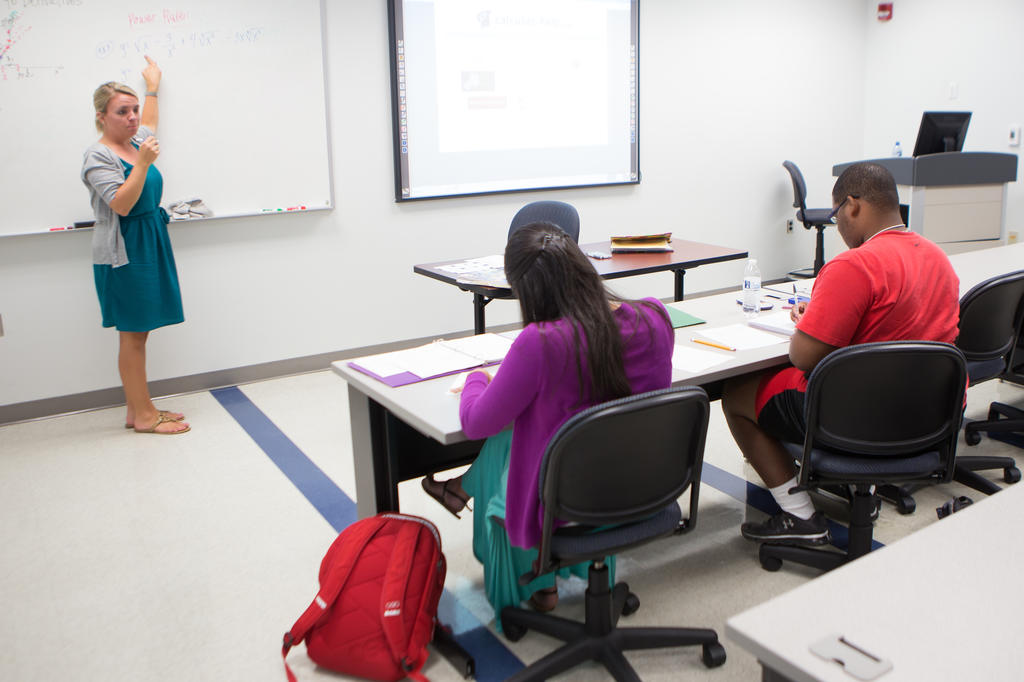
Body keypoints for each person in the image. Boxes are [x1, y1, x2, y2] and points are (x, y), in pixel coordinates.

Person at [421, 222, 674, 623]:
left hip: (570, 502)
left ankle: (538, 585)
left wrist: (476, 377)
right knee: (512, 443)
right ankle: (463, 494)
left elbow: (475, 421)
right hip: (645, 489)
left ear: (530, 292)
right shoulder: (654, 317)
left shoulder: (540, 343)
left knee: (509, 448)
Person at [722, 162, 960, 545]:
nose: (839, 227)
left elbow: (803, 357)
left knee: (737, 394)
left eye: (836, 216)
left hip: (858, 418)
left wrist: (809, 323)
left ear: (852, 206)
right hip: (928, 418)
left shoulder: (855, 264)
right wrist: (825, 312)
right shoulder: (937, 258)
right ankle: (857, 485)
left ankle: (800, 517)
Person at [82, 56, 189, 435]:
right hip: (123, 251)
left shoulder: (135, 140)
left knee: (140, 331)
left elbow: (151, 122)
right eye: (121, 111)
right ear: (101, 117)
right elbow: (122, 204)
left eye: (133, 110)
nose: (132, 118)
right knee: (132, 332)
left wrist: (153, 86)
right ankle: (143, 416)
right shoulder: (99, 155)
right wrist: (142, 164)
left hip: (149, 241)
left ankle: (137, 409)